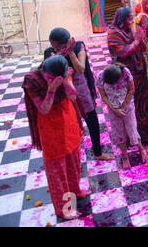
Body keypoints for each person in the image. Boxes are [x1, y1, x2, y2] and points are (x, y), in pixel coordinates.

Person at [23, 55, 88, 219]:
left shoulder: (64, 75)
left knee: (74, 163)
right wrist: (51, 90)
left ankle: (76, 191)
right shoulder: (32, 81)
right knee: (58, 174)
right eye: (50, 78)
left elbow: (73, 96)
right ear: (43, 69)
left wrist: (66, 81)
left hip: (69, 122)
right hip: (51, 130)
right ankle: (64, 209)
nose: (51, 80)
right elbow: (43, 109)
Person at [45, 28, 113, 161]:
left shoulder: (78, 46)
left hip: (82, 90)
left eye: (58, 46)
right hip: (64, 91)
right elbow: (51, 72)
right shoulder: (50, 53)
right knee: (70, 124)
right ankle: (71, 154)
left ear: (66, 42)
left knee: (92, 121)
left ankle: (97, 153)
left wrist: (70, 53)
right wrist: (59, 55)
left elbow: (81, 69)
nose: (55, 48)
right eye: (53, 46)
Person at [107, 7, 148, 145]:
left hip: (140, 74)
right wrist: (136, 41)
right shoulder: (113, 33)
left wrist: (139, 38)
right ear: (121, 20)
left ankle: (144, 135)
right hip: (126, 77)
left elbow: (144, 49)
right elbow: (121, 53)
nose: (132, 21)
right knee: (129, 105)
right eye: (129, 19)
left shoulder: (130, 30)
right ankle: (130, 138)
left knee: (142, 105)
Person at [97, 64, 148, 169]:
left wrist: (124, 106)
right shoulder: (100, 77)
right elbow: (103, 96)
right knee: (118, 132)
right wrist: (114, 109)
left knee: (132, 129)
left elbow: (131, 90)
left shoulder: (125, 72)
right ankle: (125, 156)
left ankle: (141, 148)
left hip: (127, 105)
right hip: (113, 108)